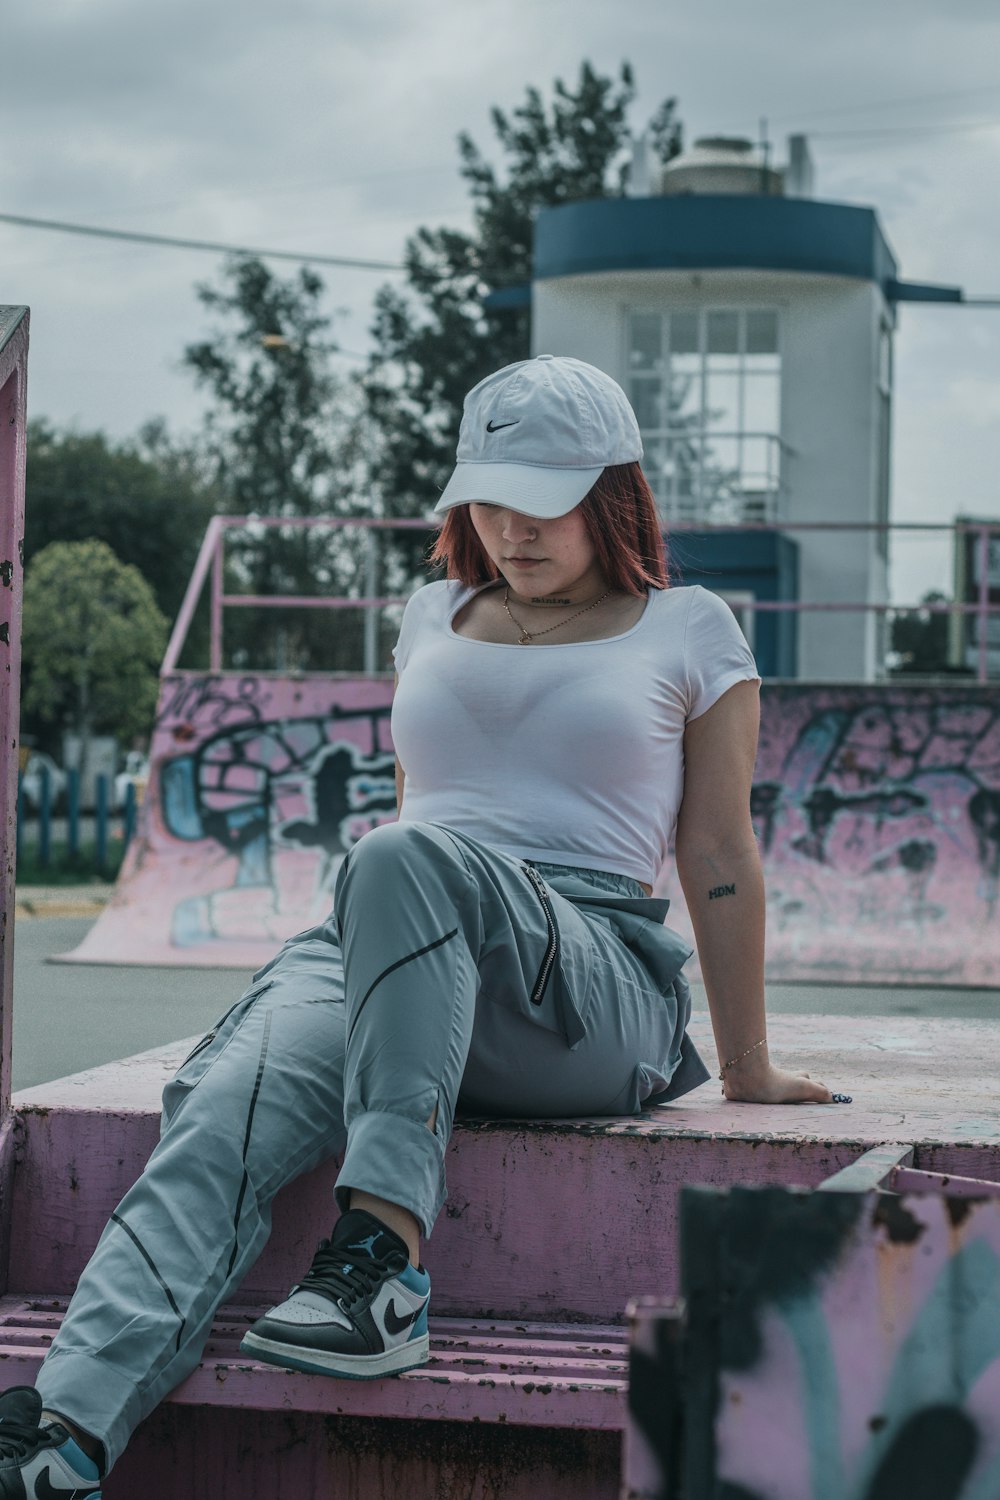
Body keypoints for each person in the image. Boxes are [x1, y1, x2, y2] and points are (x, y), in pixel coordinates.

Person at [0, 354, 844, 1496]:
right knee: (220, 1106)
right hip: (400, 941)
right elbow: (421, 816)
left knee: (401, 858)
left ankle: (381, 1263)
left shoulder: (688, 628)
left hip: (589, 989)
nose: (511, 529)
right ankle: (63, 1436)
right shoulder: (431, 612)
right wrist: (399, 953)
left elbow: (717, 853)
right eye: (488, 499)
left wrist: (746, 1066)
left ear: (612, 491)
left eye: (543, 503)